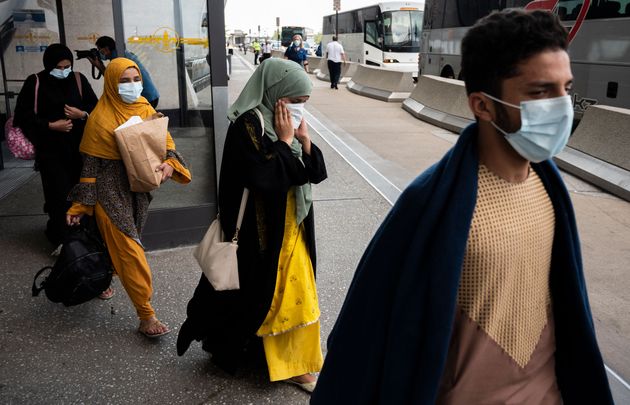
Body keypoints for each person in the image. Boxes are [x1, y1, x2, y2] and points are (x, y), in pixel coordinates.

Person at [311, 9, 613, 404]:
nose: (562, 106)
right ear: (482, 106)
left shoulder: (551, 189)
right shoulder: (427, 206)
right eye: (540, 92)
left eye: (565, 88)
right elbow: (362, 334)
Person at [177, 58, 327, 393]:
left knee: (294, 292)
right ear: (275, 92)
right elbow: (264, 178)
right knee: (274, 294)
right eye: (294, 101)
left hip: (292, 225)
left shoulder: (283, 125)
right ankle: (286, 364)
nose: (298, 109)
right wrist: (285, 142)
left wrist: (304, 142)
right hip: (259, 234)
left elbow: (310, 174)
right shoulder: (247, 124)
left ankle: (293, 362)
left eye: (304, 103)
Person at [65, 58, 191, 338]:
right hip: (109, 191)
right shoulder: (99, 118)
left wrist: (170, 163)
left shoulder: (146, 108)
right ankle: (146, 315)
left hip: (140, 189)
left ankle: (103, 276)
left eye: (136, 80)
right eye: (124, 81)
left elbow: (165, 143)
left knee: (123, 243)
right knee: (131, 248)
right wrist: (81, 205)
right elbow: (90, 167)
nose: (132, 86)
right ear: (111, 83)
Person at [13, 43, 98, 248]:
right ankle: (63, 241)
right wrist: (50, 125)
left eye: (66, 66)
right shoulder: (36, 82)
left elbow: (95, 108)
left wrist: (82, 115)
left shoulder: (78, 79)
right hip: (51, 153)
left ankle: (84, 239)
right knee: (59, 197)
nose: (63, 71)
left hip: (80, 151)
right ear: (48, 65)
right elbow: (23, 117)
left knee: (82, 194)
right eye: (58, 67)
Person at [87, 36, 160, 108]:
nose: (99, 53)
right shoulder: (123, 54)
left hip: (145, 98)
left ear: (106, 49)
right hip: (151, 95)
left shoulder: (118, 59)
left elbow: (112, 81)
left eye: (100, 50)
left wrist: (99, 66)